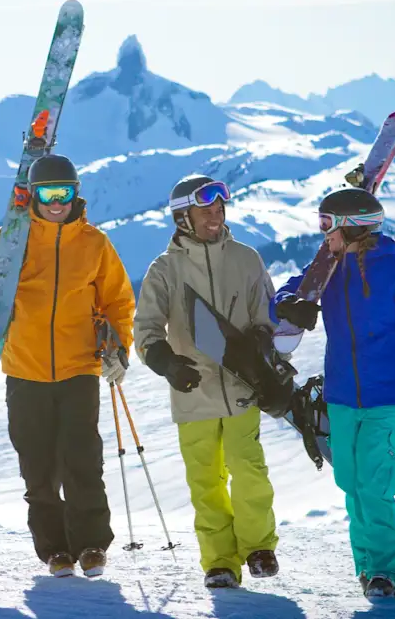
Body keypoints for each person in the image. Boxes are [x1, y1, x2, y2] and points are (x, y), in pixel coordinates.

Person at [0, 154, 135, 578]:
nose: (57, 202)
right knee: (37, 466)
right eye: (49, 193)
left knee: (82, 460)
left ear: (76, 194)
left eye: (65, 193)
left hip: (79, 367)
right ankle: (55, 550)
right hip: (25, 369)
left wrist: (119, 347)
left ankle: (91, 544)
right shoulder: (8, 242)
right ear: (33, 196)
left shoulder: (94, 243)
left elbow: (118, 300)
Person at [271, 186, 395, 598]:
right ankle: (368, 567)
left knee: (374, 485)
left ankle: (386, 572)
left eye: (327, 225)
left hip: (388, 398)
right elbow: (283, 293)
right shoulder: (327, 269)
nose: (323, 233)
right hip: (340, 398)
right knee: (351, 483)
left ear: (353, 228)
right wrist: (288, 304)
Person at [132, 174, 280, 590]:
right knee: (205, 481)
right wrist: (166, 363)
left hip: (241, 388)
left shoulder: (246, 259)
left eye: (219, 209)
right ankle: (219, 562)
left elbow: (268, 316)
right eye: (206, 211)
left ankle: (258, 548)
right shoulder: (165, 269)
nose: (216, 217)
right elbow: (146, 329)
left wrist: (263, 346)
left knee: (248, 470)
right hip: (193, 390)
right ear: (183, 218)